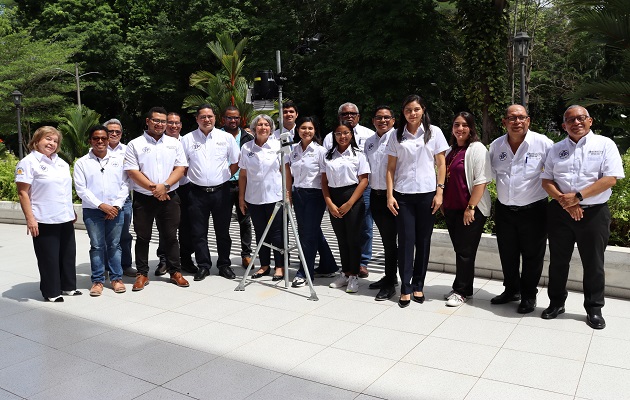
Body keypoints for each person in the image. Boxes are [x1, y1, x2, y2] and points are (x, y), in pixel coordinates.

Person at [540, 105, 624, 330]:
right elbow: (546, 180)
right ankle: (556, 303)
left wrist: (577, 197)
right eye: (570, 120)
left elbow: (610, 179)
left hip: (594, 213)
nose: (576, 123)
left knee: (594, 263)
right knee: (558, 261)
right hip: (560, 212)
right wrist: (566, 203)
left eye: (580, 118)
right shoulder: (556, 149)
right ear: (564, 125)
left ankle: (594, 309)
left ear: (590, 121)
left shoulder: (605, 144)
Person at [489, 105, 553, 313]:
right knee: (507, 253)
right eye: (512, 118)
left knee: (532, 255)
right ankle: (511, 290)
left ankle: (528, 295)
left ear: (528, 121)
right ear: (504, 122)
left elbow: (556, 173)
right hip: (505, 209)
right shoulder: (496, 146)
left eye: (521, 118)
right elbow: (488, 176)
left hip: (534, 209)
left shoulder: (543, 143)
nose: (517, 122)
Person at [386, 94, 448, 308]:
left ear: (423, 110)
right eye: (407, 110)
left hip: (427, 194)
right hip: (402, 195)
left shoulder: (434, 133)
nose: (412, 114)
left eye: (416, 109)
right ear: (403, 113)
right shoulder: (396, 135)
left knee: (423, 241)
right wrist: (390, 194)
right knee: (405, 241)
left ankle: (419, 284)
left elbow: (441, 165)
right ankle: (405, 286)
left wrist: (440, 192)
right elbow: (391, 168)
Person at [124, 106, 189, 291]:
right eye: (156, 120)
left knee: (170, 237)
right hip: (144, 199)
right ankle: (142, 274)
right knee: (143, 237)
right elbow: (132, 171)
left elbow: (180, 168)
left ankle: (175, 271)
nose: (160, 124)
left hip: (170, 196)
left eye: (163, 121)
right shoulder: (134, 144)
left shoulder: (174, 143)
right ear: (148, 121)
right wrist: (155, 189)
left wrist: (165, 186)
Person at [15, 126, 81, 302]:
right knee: (49, 257)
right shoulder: (28, 163)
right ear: (37, 141)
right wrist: (30, 219)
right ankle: (51, 292)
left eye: (55, 140)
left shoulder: (62, 163)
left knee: (68, 254)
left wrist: (71, 210)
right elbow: (23, 193)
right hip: (43, 217)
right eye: (48, 139)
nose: (52, 143)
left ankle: (68, 287)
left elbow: (64, 190)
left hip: (64, 216)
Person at [182, 105, 239, 281]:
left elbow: (236, 161)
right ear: (197, 119)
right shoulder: (187, 139)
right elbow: (182, 165)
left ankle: (224, 265)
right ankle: (204, 265)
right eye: (203, 117)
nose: (207, 120)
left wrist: (224, 176)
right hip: (196, 193)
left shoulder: (226, 137)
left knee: (223, 231)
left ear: (215, 118)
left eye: (210, 116)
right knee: (199, 232)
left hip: (222, 192)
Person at [442, 112, 492, 307]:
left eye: (464, 125)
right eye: (456, 125)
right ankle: (463, 287)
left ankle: (461, 291)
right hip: (452, 209)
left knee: (465, 251)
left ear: (471, 128)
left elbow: (482, 180)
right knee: (460, 250)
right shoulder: (450, 151)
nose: (460, 129)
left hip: (470, 210)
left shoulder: (477, 149)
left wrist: (470, 207)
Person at [74, 125, 129, 296]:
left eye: (103, 138)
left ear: (108, 140)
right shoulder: (82, 163)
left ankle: (116, 278)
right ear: (90, 140)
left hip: (116, 210)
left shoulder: (119, 160)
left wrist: (116, 205)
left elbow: (126, 184)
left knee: (114, 245)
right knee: (97, 246)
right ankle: (97, 281)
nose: (100, 141)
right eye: (96, 138)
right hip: (93, 211)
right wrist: (101, 205)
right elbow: (81, 189)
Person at [323, 102, 375, 278]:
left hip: (361, 186)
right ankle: (347, 269)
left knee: (365, 226)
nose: (349, 116)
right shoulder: (330, 138)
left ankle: (362, 262)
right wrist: (329, 201)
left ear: (358, 116)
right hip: (336, 190)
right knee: (343, 234)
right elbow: (325, 169)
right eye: (345, 114)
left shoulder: (369, 135)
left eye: (353, 113)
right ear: (340, 117)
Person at [288, 117, 339, 287]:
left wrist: (327, 199)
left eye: (310, 128)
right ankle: (328, 265)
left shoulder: (321, 151)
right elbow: (290, 174)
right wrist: (289, 193)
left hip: (315, 195)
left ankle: (304, 272)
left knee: (306, 235)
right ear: (297, 130)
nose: (306, 131)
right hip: (298, 194)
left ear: (315, 130)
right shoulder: (293, 150)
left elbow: (324, 179)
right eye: (303, 128)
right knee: (312, 231)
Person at [238, 115, 286, 281]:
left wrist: (288, 194)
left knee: (277, 233)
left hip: (275, 196)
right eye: (260, 125)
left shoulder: (277, 145)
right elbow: (243, 175)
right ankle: (264, 265)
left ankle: (280, 266)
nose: (263, 127)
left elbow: (285, 170)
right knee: (260, 232)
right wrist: (241, 197)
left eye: (266, 125)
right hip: (254, 197)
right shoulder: (246, 148)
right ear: (253, 128)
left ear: (271, 128)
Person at [154, 112, 198, 276]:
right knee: (164, 226)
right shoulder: (158, 142)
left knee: (186, 226)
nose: (173, 126)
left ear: (181, 125)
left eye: (176, 123)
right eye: (170, 122)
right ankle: (164, 260)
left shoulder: (187, 141)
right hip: (164, 189)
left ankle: (185, 258)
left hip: (185, 188)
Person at [364, 106, 398, 301]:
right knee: (385, 240)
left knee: (391, 241)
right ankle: (389, 276)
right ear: (373, 120)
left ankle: (391, 282)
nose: (382, 121)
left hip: (392, 197)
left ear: (393, 120)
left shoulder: (397, 138)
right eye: (378, 117)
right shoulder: (369, 142)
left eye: (386, 117)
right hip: (375, 195)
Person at [222, 106, 254, 268]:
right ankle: (224, 257)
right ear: (223, 119)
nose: (232, 120)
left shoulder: (248, 138)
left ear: (240, 119)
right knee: (223, 222)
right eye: (229, 117)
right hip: (223, 185)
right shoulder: (217, 136)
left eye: (235, 118)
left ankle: (246, 254)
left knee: (245, 220)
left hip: (243, 185)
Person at [104, 118, 137, 278]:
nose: (115, 134)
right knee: (104, 236)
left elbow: (131, 175)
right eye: (111, 131)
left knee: (124, 234)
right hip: (103, 202)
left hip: (125, 200)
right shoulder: (98, 150)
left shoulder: (127, 150)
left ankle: (125, 265)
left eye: (118, 131)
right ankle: (105, 266)